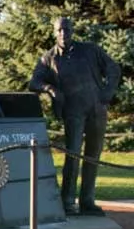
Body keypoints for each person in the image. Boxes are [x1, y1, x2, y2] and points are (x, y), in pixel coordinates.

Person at [28, 16, 120, 216]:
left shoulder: (90, 50)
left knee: (92, 157)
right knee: (73, 155)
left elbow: (113, 68)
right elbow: (33, 82)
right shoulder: (49, 58)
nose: (64, 34)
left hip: (97, 108)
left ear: (72, 31)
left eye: (67, 29)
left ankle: (87, 200)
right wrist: (50, 88)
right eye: (60, 30)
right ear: (54, 32)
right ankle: (68, 201)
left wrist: (108, 92)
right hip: (73, 111)